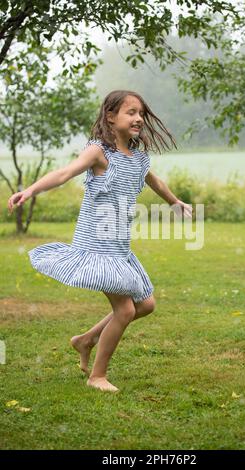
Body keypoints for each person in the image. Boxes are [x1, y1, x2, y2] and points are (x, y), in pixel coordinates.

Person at [7, 90, 192, 393]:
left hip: (119, 247)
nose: (138, 118)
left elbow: (154, 180)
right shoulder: (99, 152)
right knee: (126, 311)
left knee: (145, 304)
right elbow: (64, 173)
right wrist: (30, 190)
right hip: (95, 246)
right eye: (130, 112)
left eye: (141, 113)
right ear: (110, 116)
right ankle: (98, 376)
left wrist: (175, 201)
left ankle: (85, 340)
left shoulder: (137, 158)